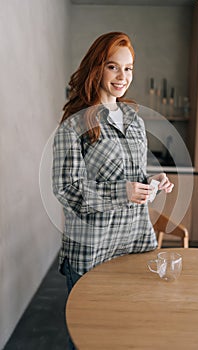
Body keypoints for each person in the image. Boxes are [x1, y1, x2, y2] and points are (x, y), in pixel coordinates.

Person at [52, 31, 174, 345]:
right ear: (97, 68)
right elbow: (67, 189)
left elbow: (134, 175)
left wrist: (153, 184)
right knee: (89, 339)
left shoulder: (135, 119)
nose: (123, 77)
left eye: (129, 68)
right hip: (93, 251)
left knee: (131, 333)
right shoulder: (74, 125)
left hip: (135, 245)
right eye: (113, 67)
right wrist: (122, 192)